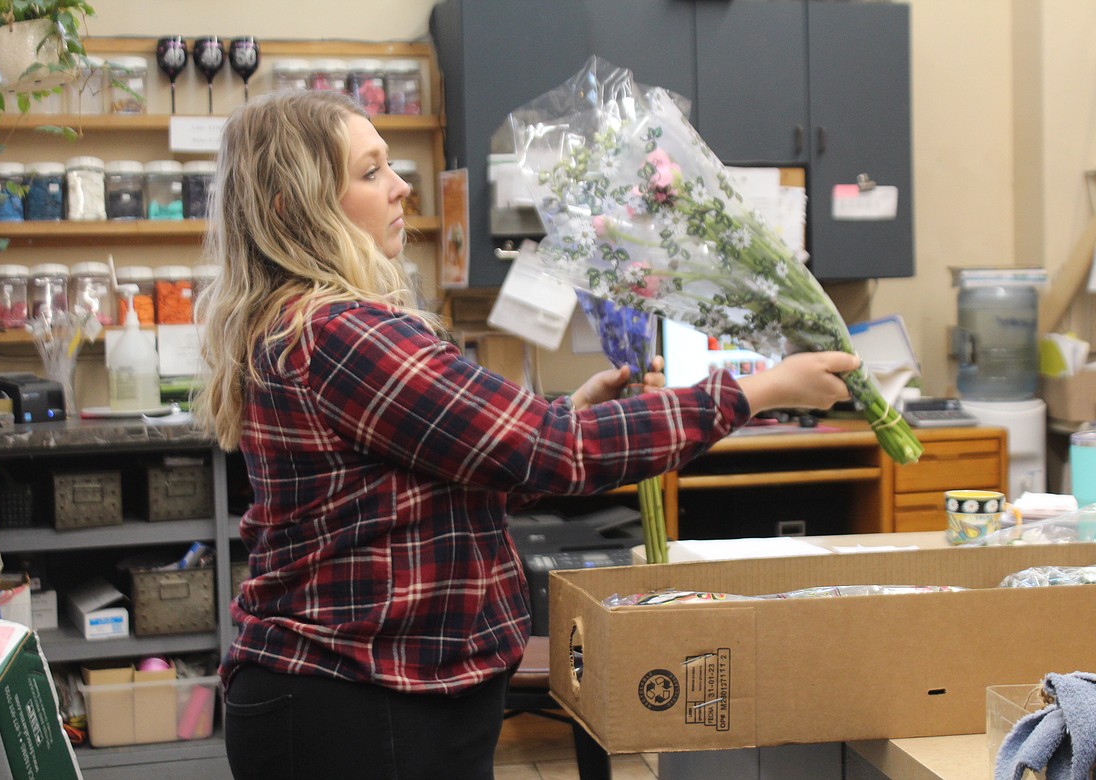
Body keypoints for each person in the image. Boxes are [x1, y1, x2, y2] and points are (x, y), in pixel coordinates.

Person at [192, 89, 859, 780]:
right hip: (360, 701)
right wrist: (759, 389)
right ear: (291, 206)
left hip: (370, 693)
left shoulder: (308, 326)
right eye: (369, 173)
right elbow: (555, 452)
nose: (399, 188)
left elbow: (410, 493)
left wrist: (564, 411)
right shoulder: (341, 334)